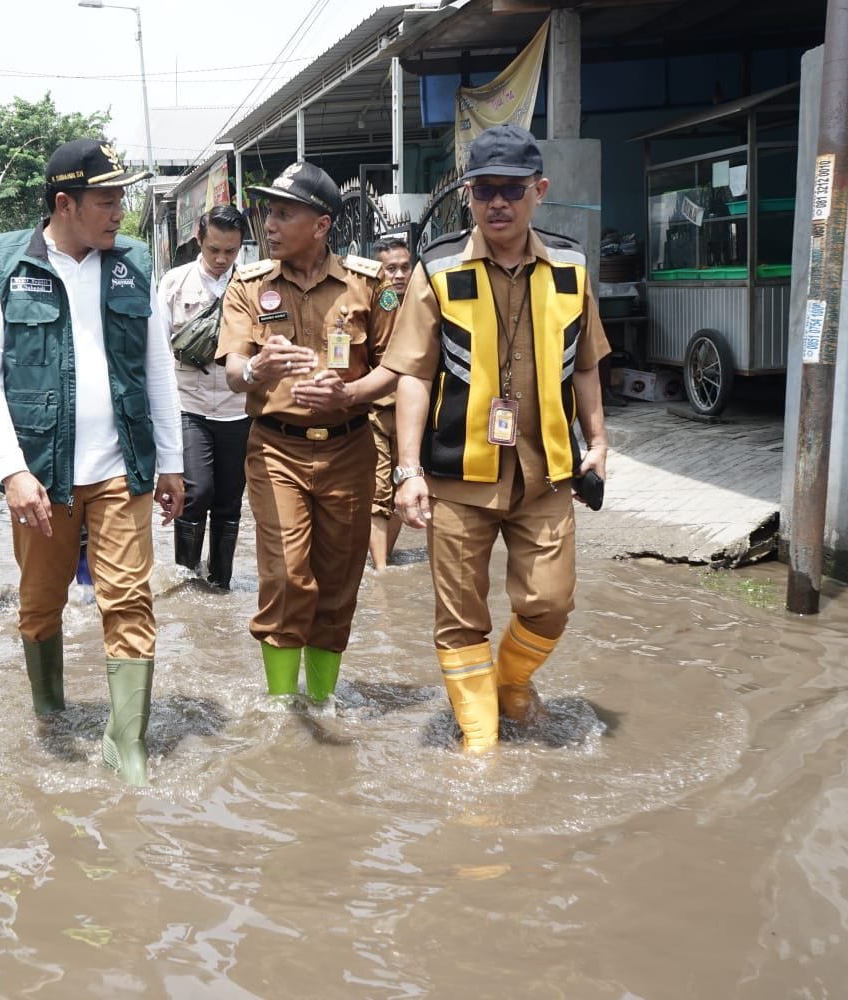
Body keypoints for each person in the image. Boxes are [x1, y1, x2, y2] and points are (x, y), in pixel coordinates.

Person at [0, 138, 185, 786]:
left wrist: (170, 460)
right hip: (42, 474)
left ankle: (128, 746)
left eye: (121, 198)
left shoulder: (133, 264)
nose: (120, 211)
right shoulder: (3, 265)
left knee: (128, 602)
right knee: (40, 603)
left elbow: (156, 366)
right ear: (65, 203)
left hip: (122, 468)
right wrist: (12, 471)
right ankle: (50, 710)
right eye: (106, 199)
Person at [387, 125, 610, 751]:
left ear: (538, 190)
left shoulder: (570, 266)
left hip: (548, 473)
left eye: (511, 190)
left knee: (551, 601)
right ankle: (479, 738)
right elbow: (412, 376)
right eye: (484, 191)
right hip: (457, 475)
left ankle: (511, 680)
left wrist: (598, 441)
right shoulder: (437, 268)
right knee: (461, 616)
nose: (498, 204)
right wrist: (407, 471)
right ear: (469, 195)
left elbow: (588, 362)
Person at [217, 161, 398, 704]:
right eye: (268, 213)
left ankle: (320, 704)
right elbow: (232, 372)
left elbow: (399, 367)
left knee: (339, 582)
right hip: (275, 449)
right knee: (287, 576)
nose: (267, 225)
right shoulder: (248, 285)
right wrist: (258, 370)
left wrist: (352, 393)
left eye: (282, 214)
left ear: (320, 225)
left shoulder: (370, 285)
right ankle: (279, 708)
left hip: (351, 448)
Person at [159, 204, 252, 589]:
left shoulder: (251, 285)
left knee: (230, 500)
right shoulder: (174, 284)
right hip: (189, 406)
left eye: (230, 251)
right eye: (214, 249)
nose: (221, 259)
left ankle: (221, 581)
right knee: (197, 491)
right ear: (198, 238)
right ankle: (186, 578)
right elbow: (159, 353)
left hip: (238, 411)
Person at [367, 232, 414, 569]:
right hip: (376, 412)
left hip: (412, 415)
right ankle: (382, 570)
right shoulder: (370, 305)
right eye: (391, 269)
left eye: (404, 268)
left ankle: (385, 558)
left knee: (404, 487)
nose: (398, 275)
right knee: (378, 492)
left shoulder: (425, 304)